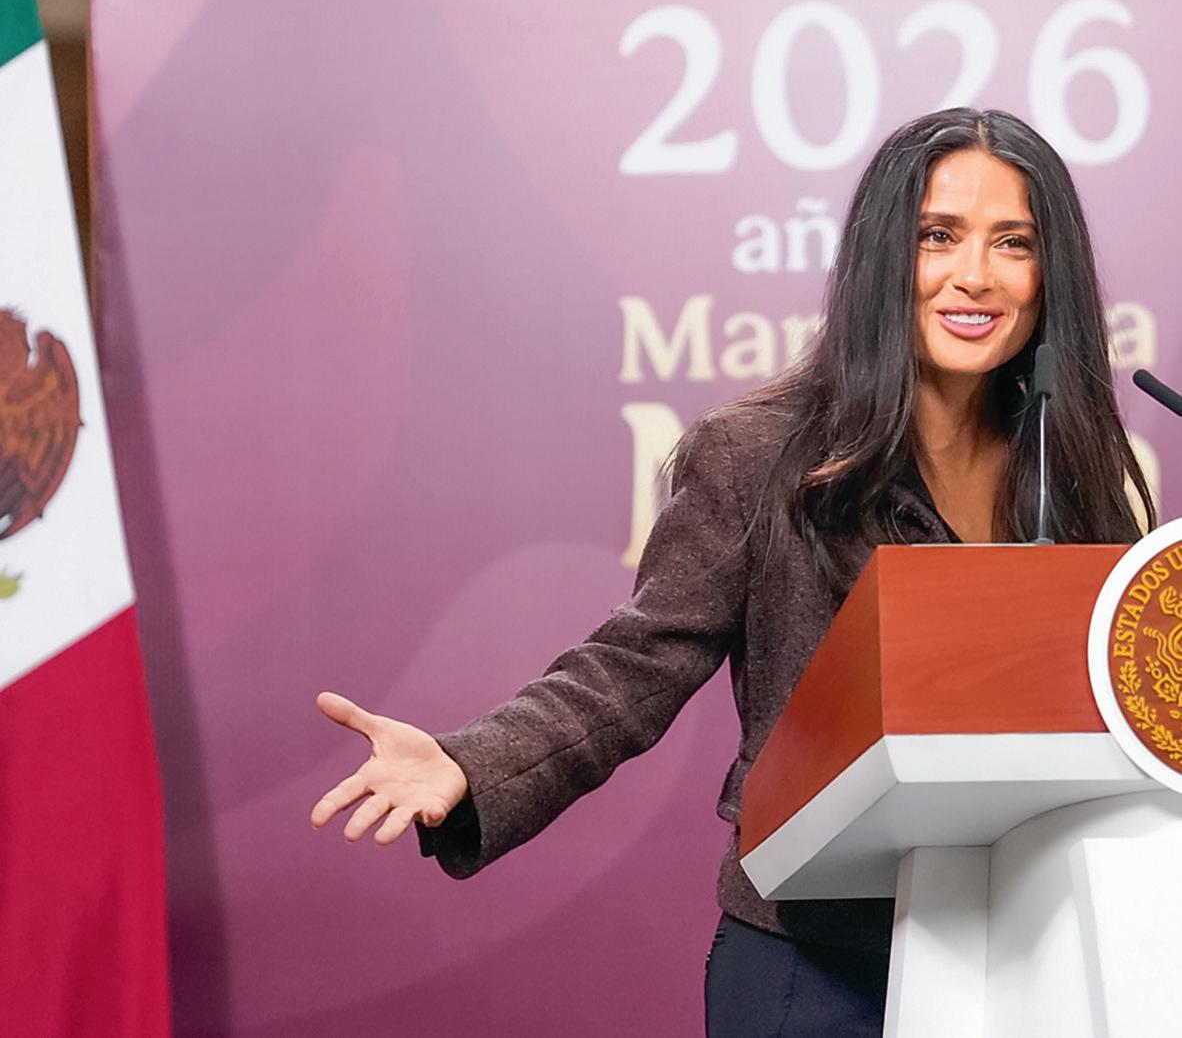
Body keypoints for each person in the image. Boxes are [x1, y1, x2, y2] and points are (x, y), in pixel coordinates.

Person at [309, 108, 1155, 1036]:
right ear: (884, 256)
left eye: (1013, 243)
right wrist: (471, 763)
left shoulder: (1073, 470)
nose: (976, 275)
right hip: (818, 962)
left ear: (1050, 274)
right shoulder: (760, 454)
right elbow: (633, 665)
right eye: (938, 236)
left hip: (1028, 949)